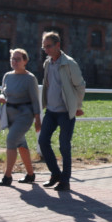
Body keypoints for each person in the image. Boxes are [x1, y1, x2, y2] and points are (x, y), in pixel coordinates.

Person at [38, 32, 86, 192]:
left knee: (64, 146)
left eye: (48, 46)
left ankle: (65, 181)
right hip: (51, 111)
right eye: (44, 47)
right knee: (43, 141)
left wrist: (77, 106)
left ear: (58, 45)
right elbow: (47, 84)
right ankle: (55, 174)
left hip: (66, 112)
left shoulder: (69, 64)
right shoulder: (47, 63)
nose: (46, 50)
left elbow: (80, 86)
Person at [0, 48, 41, 186]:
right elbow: (4, 91)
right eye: (12, 59)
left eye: (18, 59)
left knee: (11, 140)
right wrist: (1, 97)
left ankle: (7, 176)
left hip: (24, 115)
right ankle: (30, 174)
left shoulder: (30, 78)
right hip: (10, 115)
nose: (14, 62)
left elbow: (35, 100)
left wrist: (37, 119)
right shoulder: (7, 76)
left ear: (25, 61)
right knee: (21, 144)